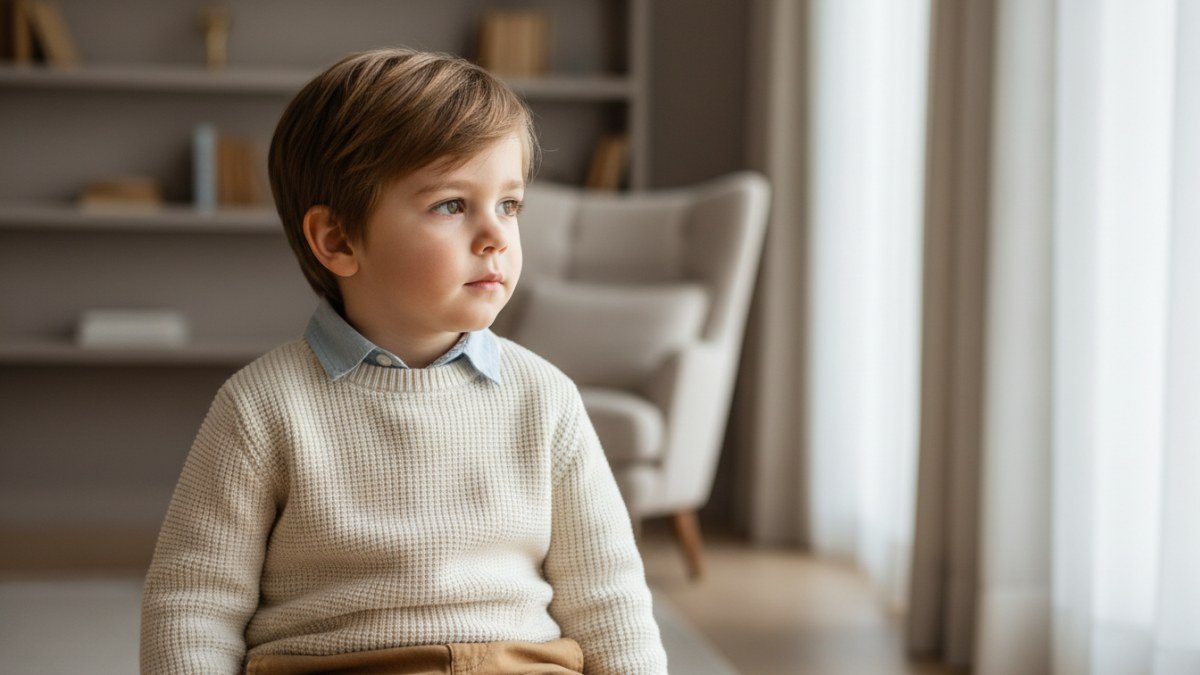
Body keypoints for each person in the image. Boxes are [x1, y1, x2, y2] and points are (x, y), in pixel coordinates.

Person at [139, 48, 668, 675]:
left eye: (509, 205)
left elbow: (609, 600)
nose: (496, 235)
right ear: (337, 240)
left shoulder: (545, 399)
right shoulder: (261, 407)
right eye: (452, 205)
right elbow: (192, 603)